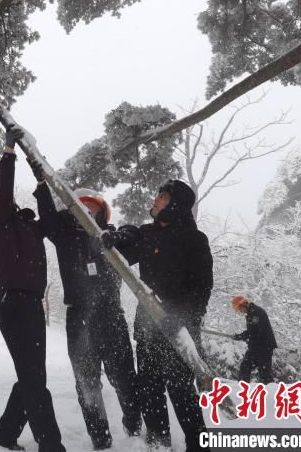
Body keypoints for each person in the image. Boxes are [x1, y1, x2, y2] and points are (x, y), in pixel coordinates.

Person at [30, 162, 140, 450]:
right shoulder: (65, 237)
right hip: (79, 318)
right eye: (81, 207)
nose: (87, 212)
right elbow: (49, 218)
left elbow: (136, 239)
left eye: (92, 207)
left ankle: (134, 426)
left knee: (125, 379)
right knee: (87, 385)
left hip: (111, 316)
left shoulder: (111, 238)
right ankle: (101, 441)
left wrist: (117, 237)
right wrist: (42, 185)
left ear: (102, 212)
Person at [101, 180, 213, 452]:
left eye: (162, 196)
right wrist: (113, 238)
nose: (155, 199)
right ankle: (158, 443)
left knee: (182, 393)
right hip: (147, 328)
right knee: (149, 389)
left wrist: (183, 318)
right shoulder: (148, 234)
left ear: (176, 204)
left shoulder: (194, 239)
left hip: (178, 330)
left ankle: (199, 447)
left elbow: (202, 287)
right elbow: (126, 245)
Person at [0, 125, 65, 452]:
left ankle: (4, 435)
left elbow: (53, 222)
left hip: (32, 305)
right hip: (14, 305)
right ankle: (51, 446)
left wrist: (42, 182)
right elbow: (3, 192)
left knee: (32, 377)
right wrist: (9, 154)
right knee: (34, 379)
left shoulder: (30, 228)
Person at [231, 295, 277, 384]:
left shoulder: (256, 313)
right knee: (245, 367)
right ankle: (243, 389)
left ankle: (271, 393)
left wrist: (241, 336)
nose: (240, 311)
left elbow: (255, 331)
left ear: (244, 304)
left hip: (264, 347)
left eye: (240, 309)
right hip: (256, 347)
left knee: (264, 374)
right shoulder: (251, 313)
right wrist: (244, 337)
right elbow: (252, 332)